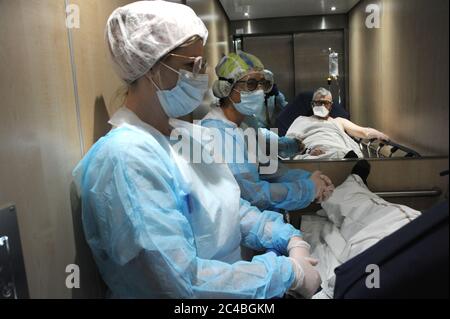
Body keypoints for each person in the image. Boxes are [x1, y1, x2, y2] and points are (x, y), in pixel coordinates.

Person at [72, 1, 320, 299]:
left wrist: (285, 236)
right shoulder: (126, 159)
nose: (200, 77)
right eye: (189, 66)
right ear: (150, 67)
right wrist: (284, 274)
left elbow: (229, 208)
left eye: (200, 64)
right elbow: (179, 283)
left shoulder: (187, 137)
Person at [201, 51, 335, 212]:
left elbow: (267, 168)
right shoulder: (217, 134)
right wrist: (307, 189)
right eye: (250, 84)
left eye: (262, 83)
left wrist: (310, 179)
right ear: (226, 88)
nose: (259, 91)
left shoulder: (246, 123)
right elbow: (252, 195)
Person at [286, 88, 390, 159]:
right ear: (312, 104)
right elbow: (290, 142)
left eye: (325, 103)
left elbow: (364, 132)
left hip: (339, 152)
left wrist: (380, 135)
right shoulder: (302, 120)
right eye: (318, 103)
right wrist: (307, 151)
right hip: (313, 154)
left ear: (331, 105)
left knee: (342, 154)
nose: (322, 106)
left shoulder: (339, 121)